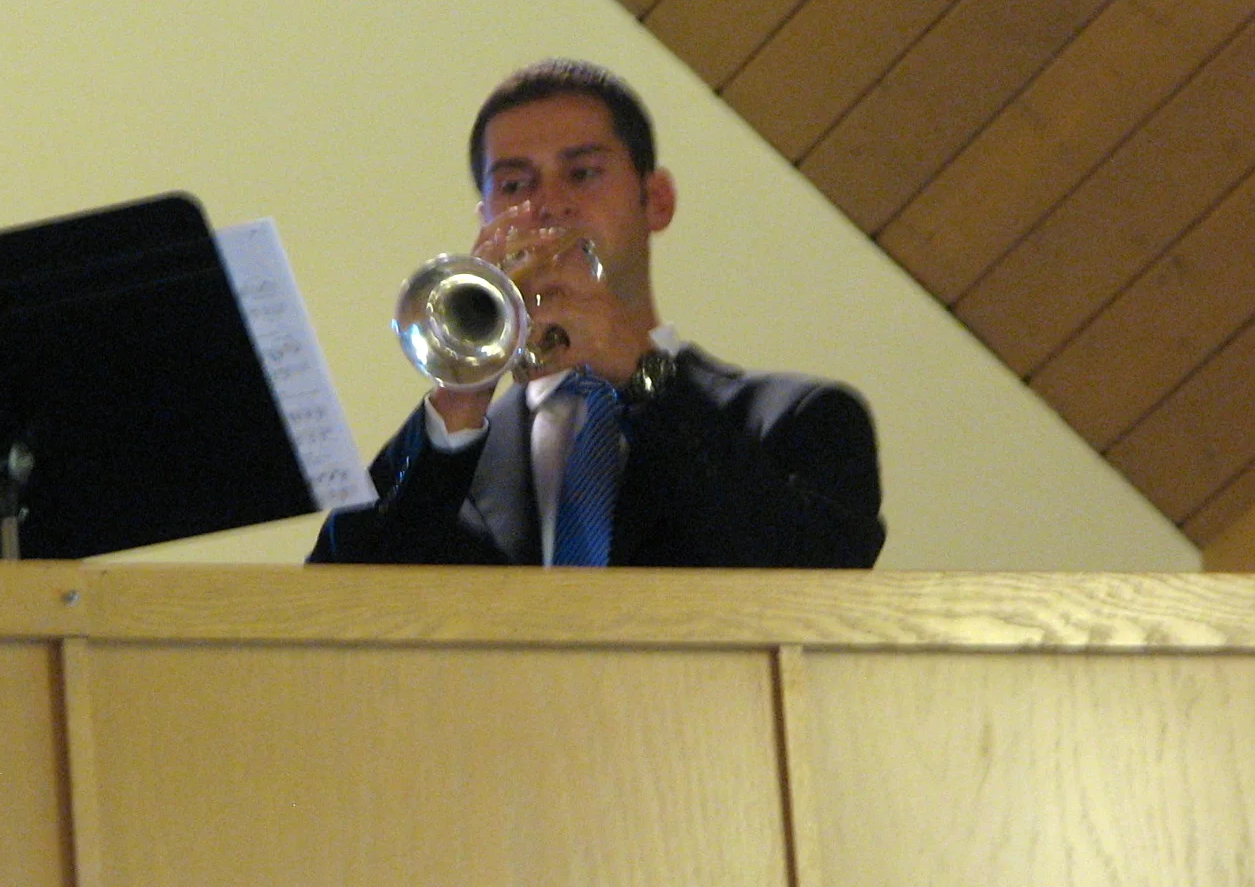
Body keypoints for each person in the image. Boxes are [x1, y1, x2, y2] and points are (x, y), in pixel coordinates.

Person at [309, 59, 885, 568]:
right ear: (486, 218)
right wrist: (461, 397)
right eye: (515, 184)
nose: (547, 205)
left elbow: (818, 573)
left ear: (656, 201)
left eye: (582, 173)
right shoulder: (449, 455)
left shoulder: (801, 418)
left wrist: (642, 374)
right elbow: (333, 608)